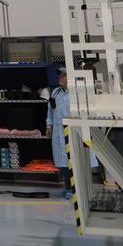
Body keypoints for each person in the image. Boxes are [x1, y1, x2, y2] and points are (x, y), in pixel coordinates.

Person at [48, 67, 73, 199]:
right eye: (60, 76)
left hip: (72, 133)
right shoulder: (56, 93)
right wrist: (49, 124)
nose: (60, 78)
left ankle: (75, 188)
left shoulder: (75, 93)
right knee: (63, 163)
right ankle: (68, 187)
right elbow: (50, 110)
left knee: (72, 162)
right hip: (58, 132)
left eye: (63, 75)